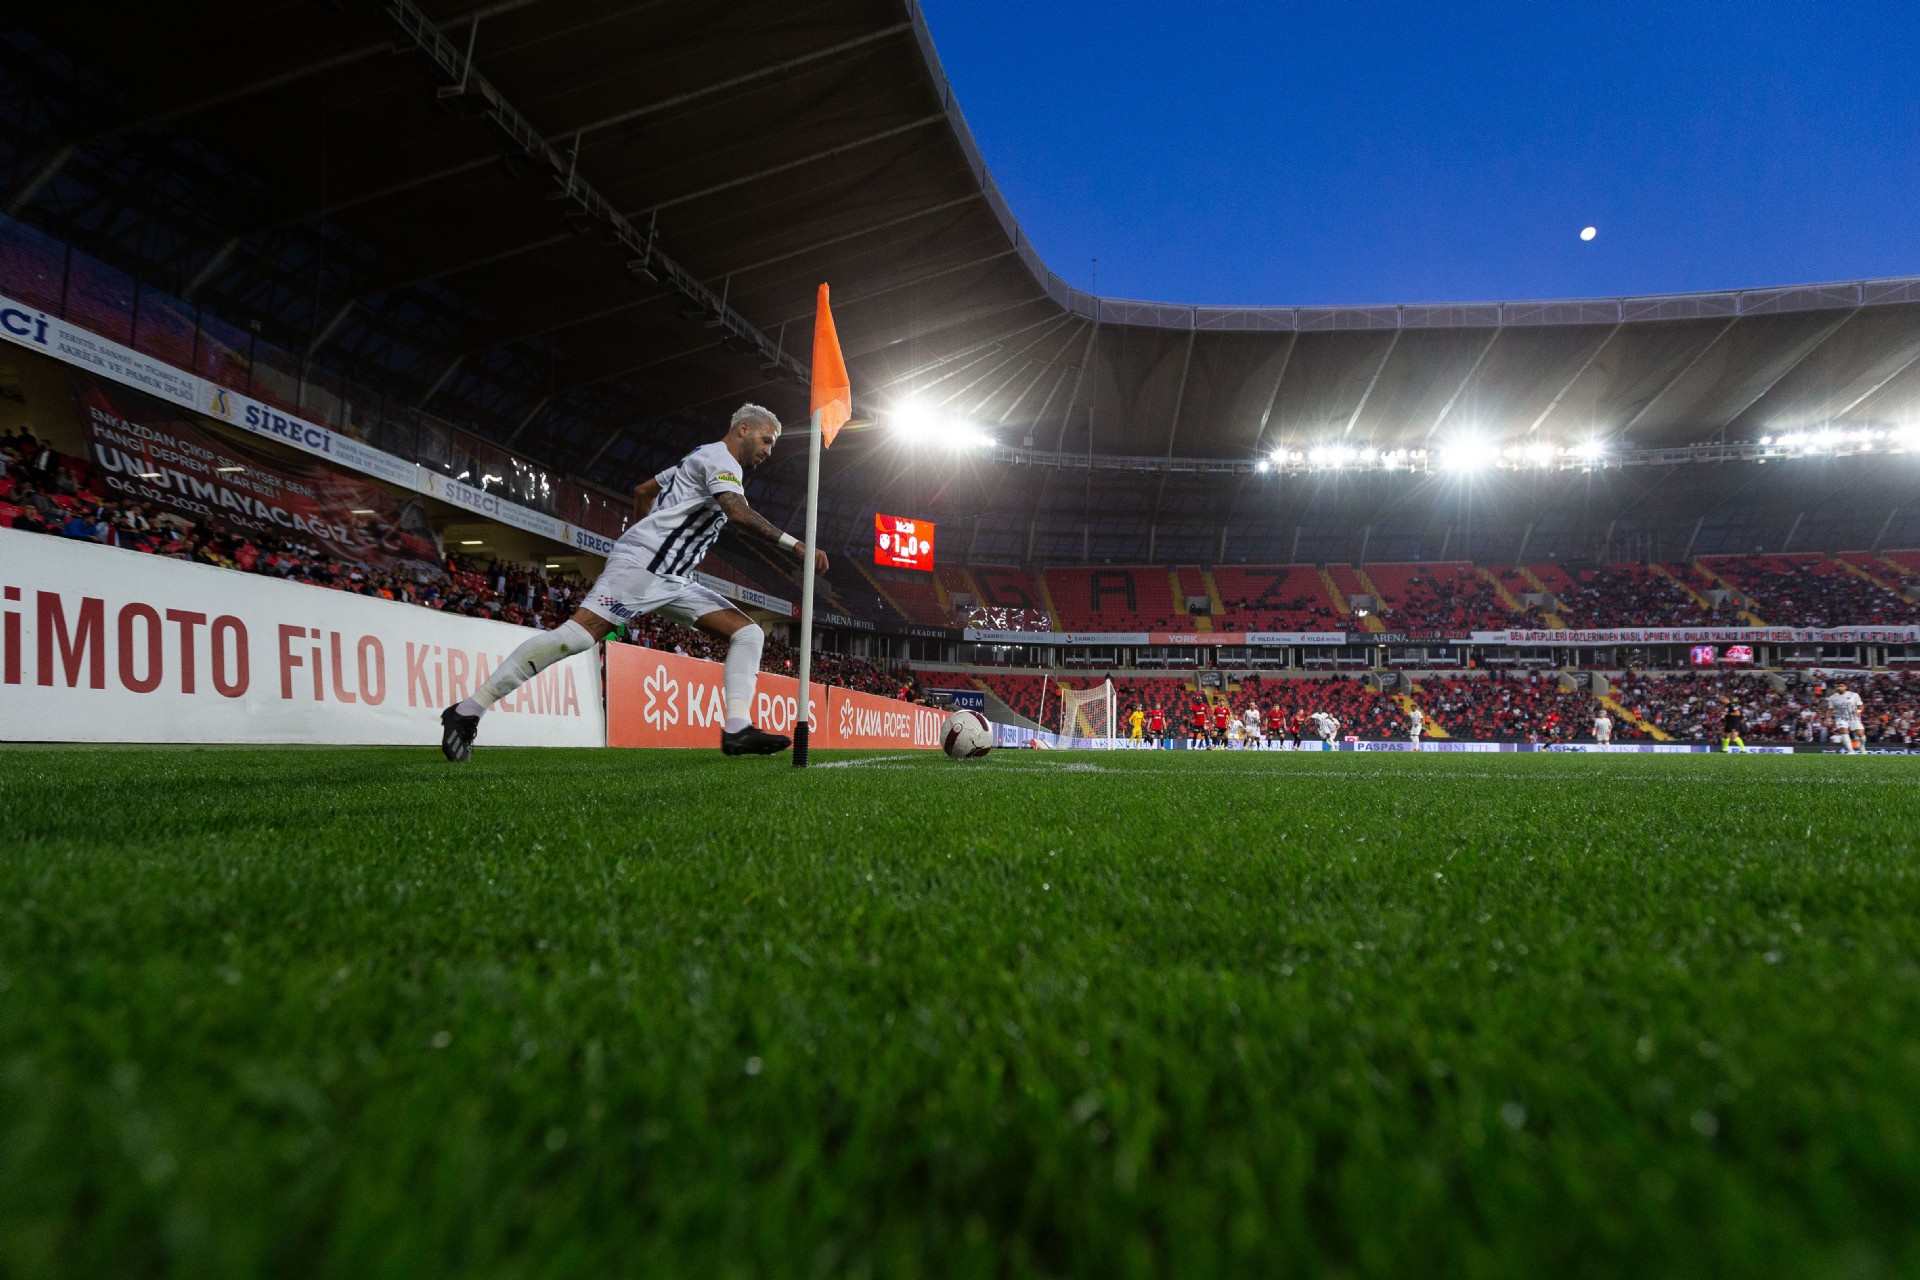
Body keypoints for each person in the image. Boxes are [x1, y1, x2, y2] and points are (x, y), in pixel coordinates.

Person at [439, 404, 825, 760]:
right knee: (576, 636)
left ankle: (737, 729)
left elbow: (644, 490)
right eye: (766, 441)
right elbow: (737, 513)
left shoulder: (697, 456)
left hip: (673, 576)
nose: (769, 451)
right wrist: (795, 545)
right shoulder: (721, 460)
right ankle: (466, 711)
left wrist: (645, 531)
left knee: (749, 634)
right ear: (743, 429)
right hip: (644, 567)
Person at [1826, 681, 1865, 755]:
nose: (1839, 688)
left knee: (1860, 734)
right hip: (1840, 717)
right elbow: (1830, 709)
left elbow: (1861, 705)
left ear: (1845, 687)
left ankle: (1862, 746)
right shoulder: (1832, 698)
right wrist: (1828, 719)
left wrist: (1859, 711)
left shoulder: (1854, 695)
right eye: (1837, 686)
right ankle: (1850, 751)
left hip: (1853, 717)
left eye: (1841, 686)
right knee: (1843, 731)